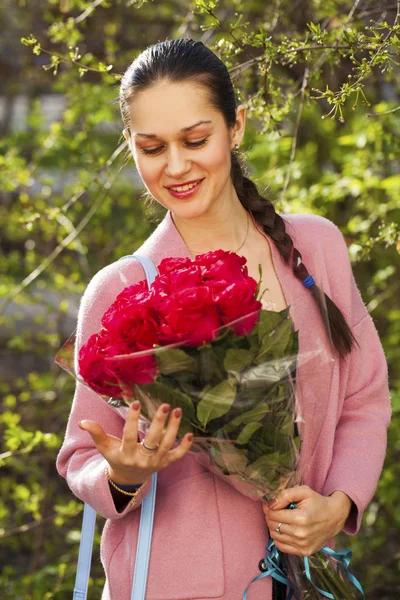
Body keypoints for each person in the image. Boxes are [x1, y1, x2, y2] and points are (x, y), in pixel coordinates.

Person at [56, 38, 391, 600]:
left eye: (195, 139)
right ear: (129, 146)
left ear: (235, 127)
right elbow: (81, 456)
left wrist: (338, 504)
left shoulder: (316, 248)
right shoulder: (121, 289)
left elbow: (364, 398)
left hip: (302, 577)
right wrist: (123, 475)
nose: (177, 167)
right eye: (152, 148)